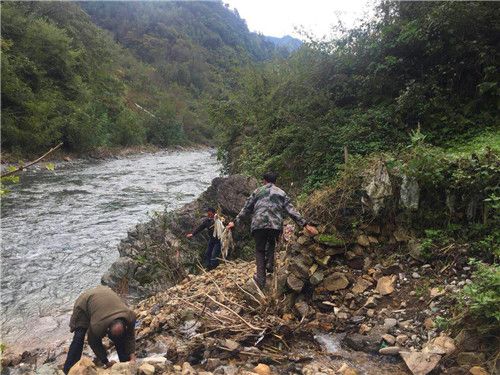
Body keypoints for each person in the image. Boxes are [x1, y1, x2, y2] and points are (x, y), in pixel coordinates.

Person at [228, 172, 317, 288]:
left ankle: (261, 279)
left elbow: (246, 209)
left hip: (258, 225)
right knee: (271, 243)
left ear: (264, 180)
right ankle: (270, 263)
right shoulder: (281, 193)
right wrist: (304, 224)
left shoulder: (257, 191)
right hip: (275, 225)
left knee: (259, 250)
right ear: (275, 181)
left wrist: (234, 222)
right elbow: (291, 210)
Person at [63, 286, 136, 374]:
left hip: (105, 297)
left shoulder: (130, 316)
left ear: (124, 325)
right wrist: (106, 362)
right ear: (107, 329)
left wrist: (132, 356)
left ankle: (124, 363)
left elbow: (130, 336)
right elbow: (93, 342)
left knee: (120, 338)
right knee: (79, 337)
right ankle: (68, 369)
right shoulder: (98, 326)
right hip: (84, 303)